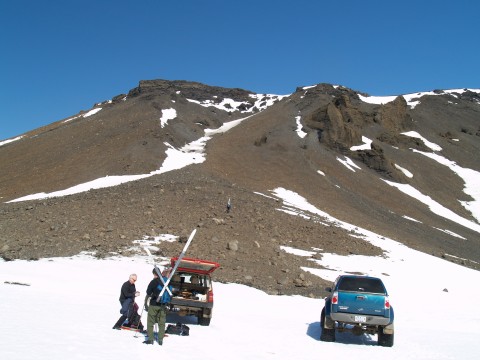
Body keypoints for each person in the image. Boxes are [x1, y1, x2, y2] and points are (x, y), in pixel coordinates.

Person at [143, 268, 172, 345]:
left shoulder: (154, 281)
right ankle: (160, 340)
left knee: (150, 321)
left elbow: (148, 292)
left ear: (154, 274)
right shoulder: (167, 281)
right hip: (163, 305)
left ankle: (151, 339)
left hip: (154, 304)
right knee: (162, 322)